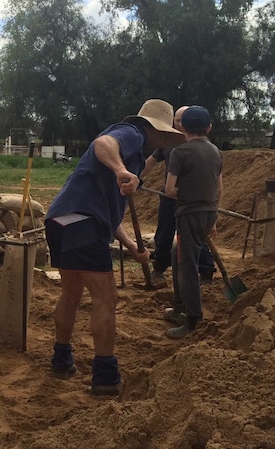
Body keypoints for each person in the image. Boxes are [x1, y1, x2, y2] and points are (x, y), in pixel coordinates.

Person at [44, 99, 184, 396]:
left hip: (61, 219)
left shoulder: (131, 159)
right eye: (164, 137)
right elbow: (102, 143)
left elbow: (109, 217)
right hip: (84, 222)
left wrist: (133, 247)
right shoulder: (131, 133)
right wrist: (122, 170)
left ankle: (61, 360)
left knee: (71, 292)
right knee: (105, 297)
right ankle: (106, 375)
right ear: (157, 131)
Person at [164, 106, 223, 339]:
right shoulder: (216, 152)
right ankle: (179, 306)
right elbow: (218, 188)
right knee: (177, 254)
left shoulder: (180, 152)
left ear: (182, 127)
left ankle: (192, 319)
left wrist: (186, 195)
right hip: (209, 213)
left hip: (189, 215)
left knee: (187, 265)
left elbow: (169, 189)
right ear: (209, 127)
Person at [140, 106, 215, 284]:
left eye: (183, 120)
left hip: (191, 200)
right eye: (177, 120)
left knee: (195, 236)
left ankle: (205, 270)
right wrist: (136, 177)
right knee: (164, 233)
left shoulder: (199, 146)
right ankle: (159, 267)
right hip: (169, 198)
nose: (179, 124)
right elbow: (150, 162)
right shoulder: (167, 141)